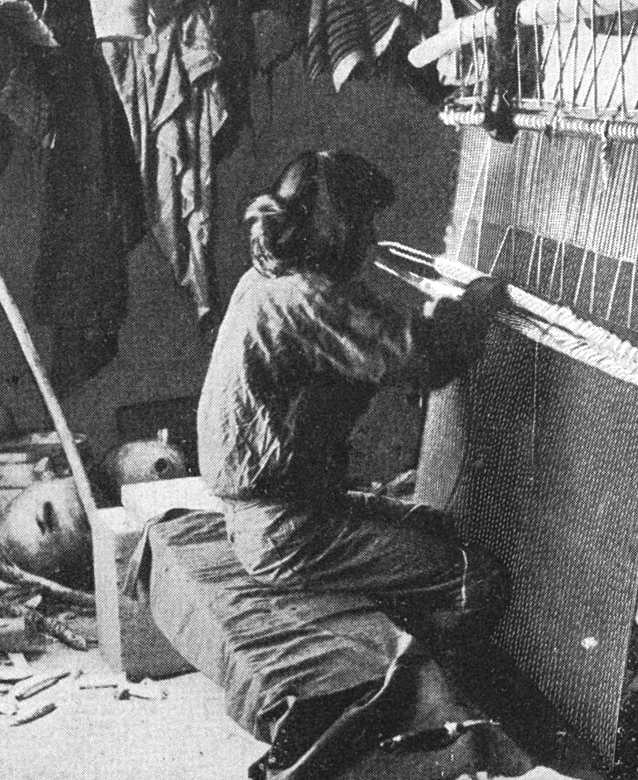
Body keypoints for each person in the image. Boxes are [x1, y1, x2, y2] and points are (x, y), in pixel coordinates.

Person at [197, 150, 509, 645]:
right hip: (288, 530)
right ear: (334, 226)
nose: (369, 240)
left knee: (434, 523)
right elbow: (420, 361)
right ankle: (435, 696)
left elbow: (378, 346)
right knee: (478, 576)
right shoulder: (308, 296)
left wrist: (435, 315)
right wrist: (477, 305)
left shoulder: (264, 279)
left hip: (275, 514)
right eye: (362, 223)